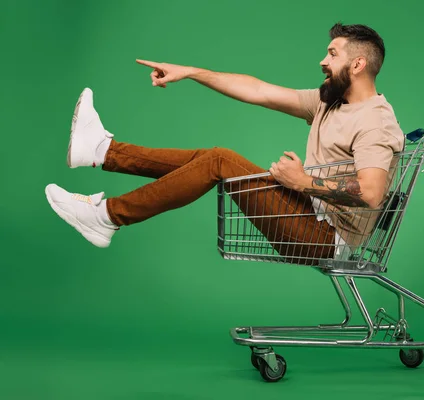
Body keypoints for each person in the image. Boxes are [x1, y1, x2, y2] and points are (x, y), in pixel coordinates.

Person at [45, 22, 405, 265]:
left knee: (220, 160)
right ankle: (102, 152)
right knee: (210, 158)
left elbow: (372, 193)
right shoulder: (330, 101)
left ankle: (108, 216)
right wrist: (191, 72)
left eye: (333, 54)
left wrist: (303, 182)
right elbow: (259, 90)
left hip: (326, 238)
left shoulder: (374, 120)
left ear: (357, 64)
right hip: (309, 214)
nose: (323, 61)